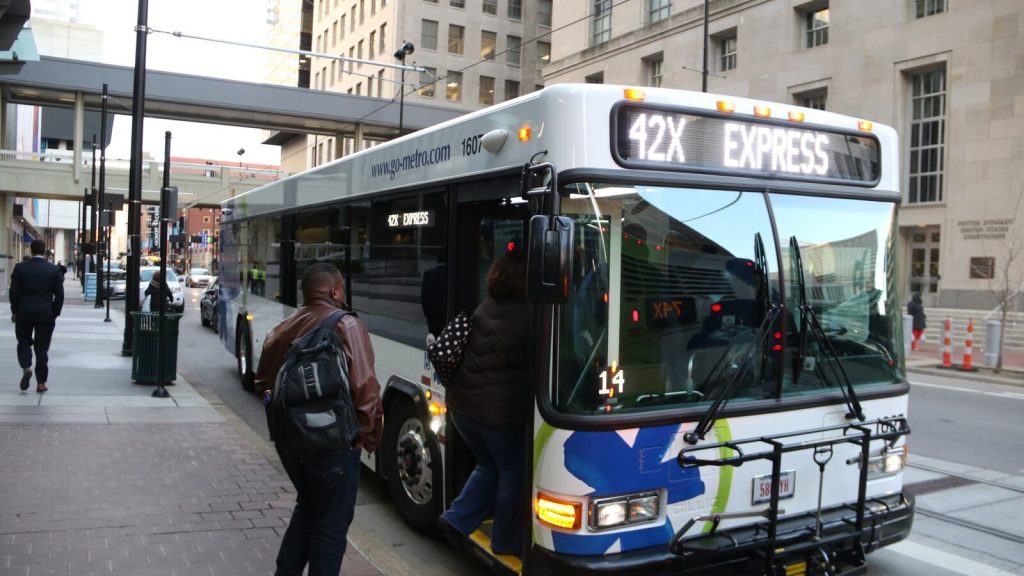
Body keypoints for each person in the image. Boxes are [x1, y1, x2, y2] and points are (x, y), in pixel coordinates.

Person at [255, 263, 383, 576]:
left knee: (309, 508)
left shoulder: (283, 328)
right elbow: (366, 392)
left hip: (292, 447)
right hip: (334, 447)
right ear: (334, 290)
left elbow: (261, 384)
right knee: (331, 526)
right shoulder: (347, 325)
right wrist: (365, 439)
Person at [438, 247, 529, 557]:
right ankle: (505, 540)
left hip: (464, 409)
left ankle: (456, 519)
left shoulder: (486, 305)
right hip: (498, 416)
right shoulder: (529, 315)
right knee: (513, 473)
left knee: (490, 465)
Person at [10, 239, 64, 393]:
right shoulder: (53, 270)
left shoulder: (20, 268)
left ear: (31, 251)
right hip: (45, 312)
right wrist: (54, 313)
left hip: (24, 311)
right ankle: (41, 383)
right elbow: (59, 295)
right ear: (44, 251)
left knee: (23, 341)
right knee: (42, 348)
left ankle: (26, 367)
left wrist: (15, 310)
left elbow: (13, 292)